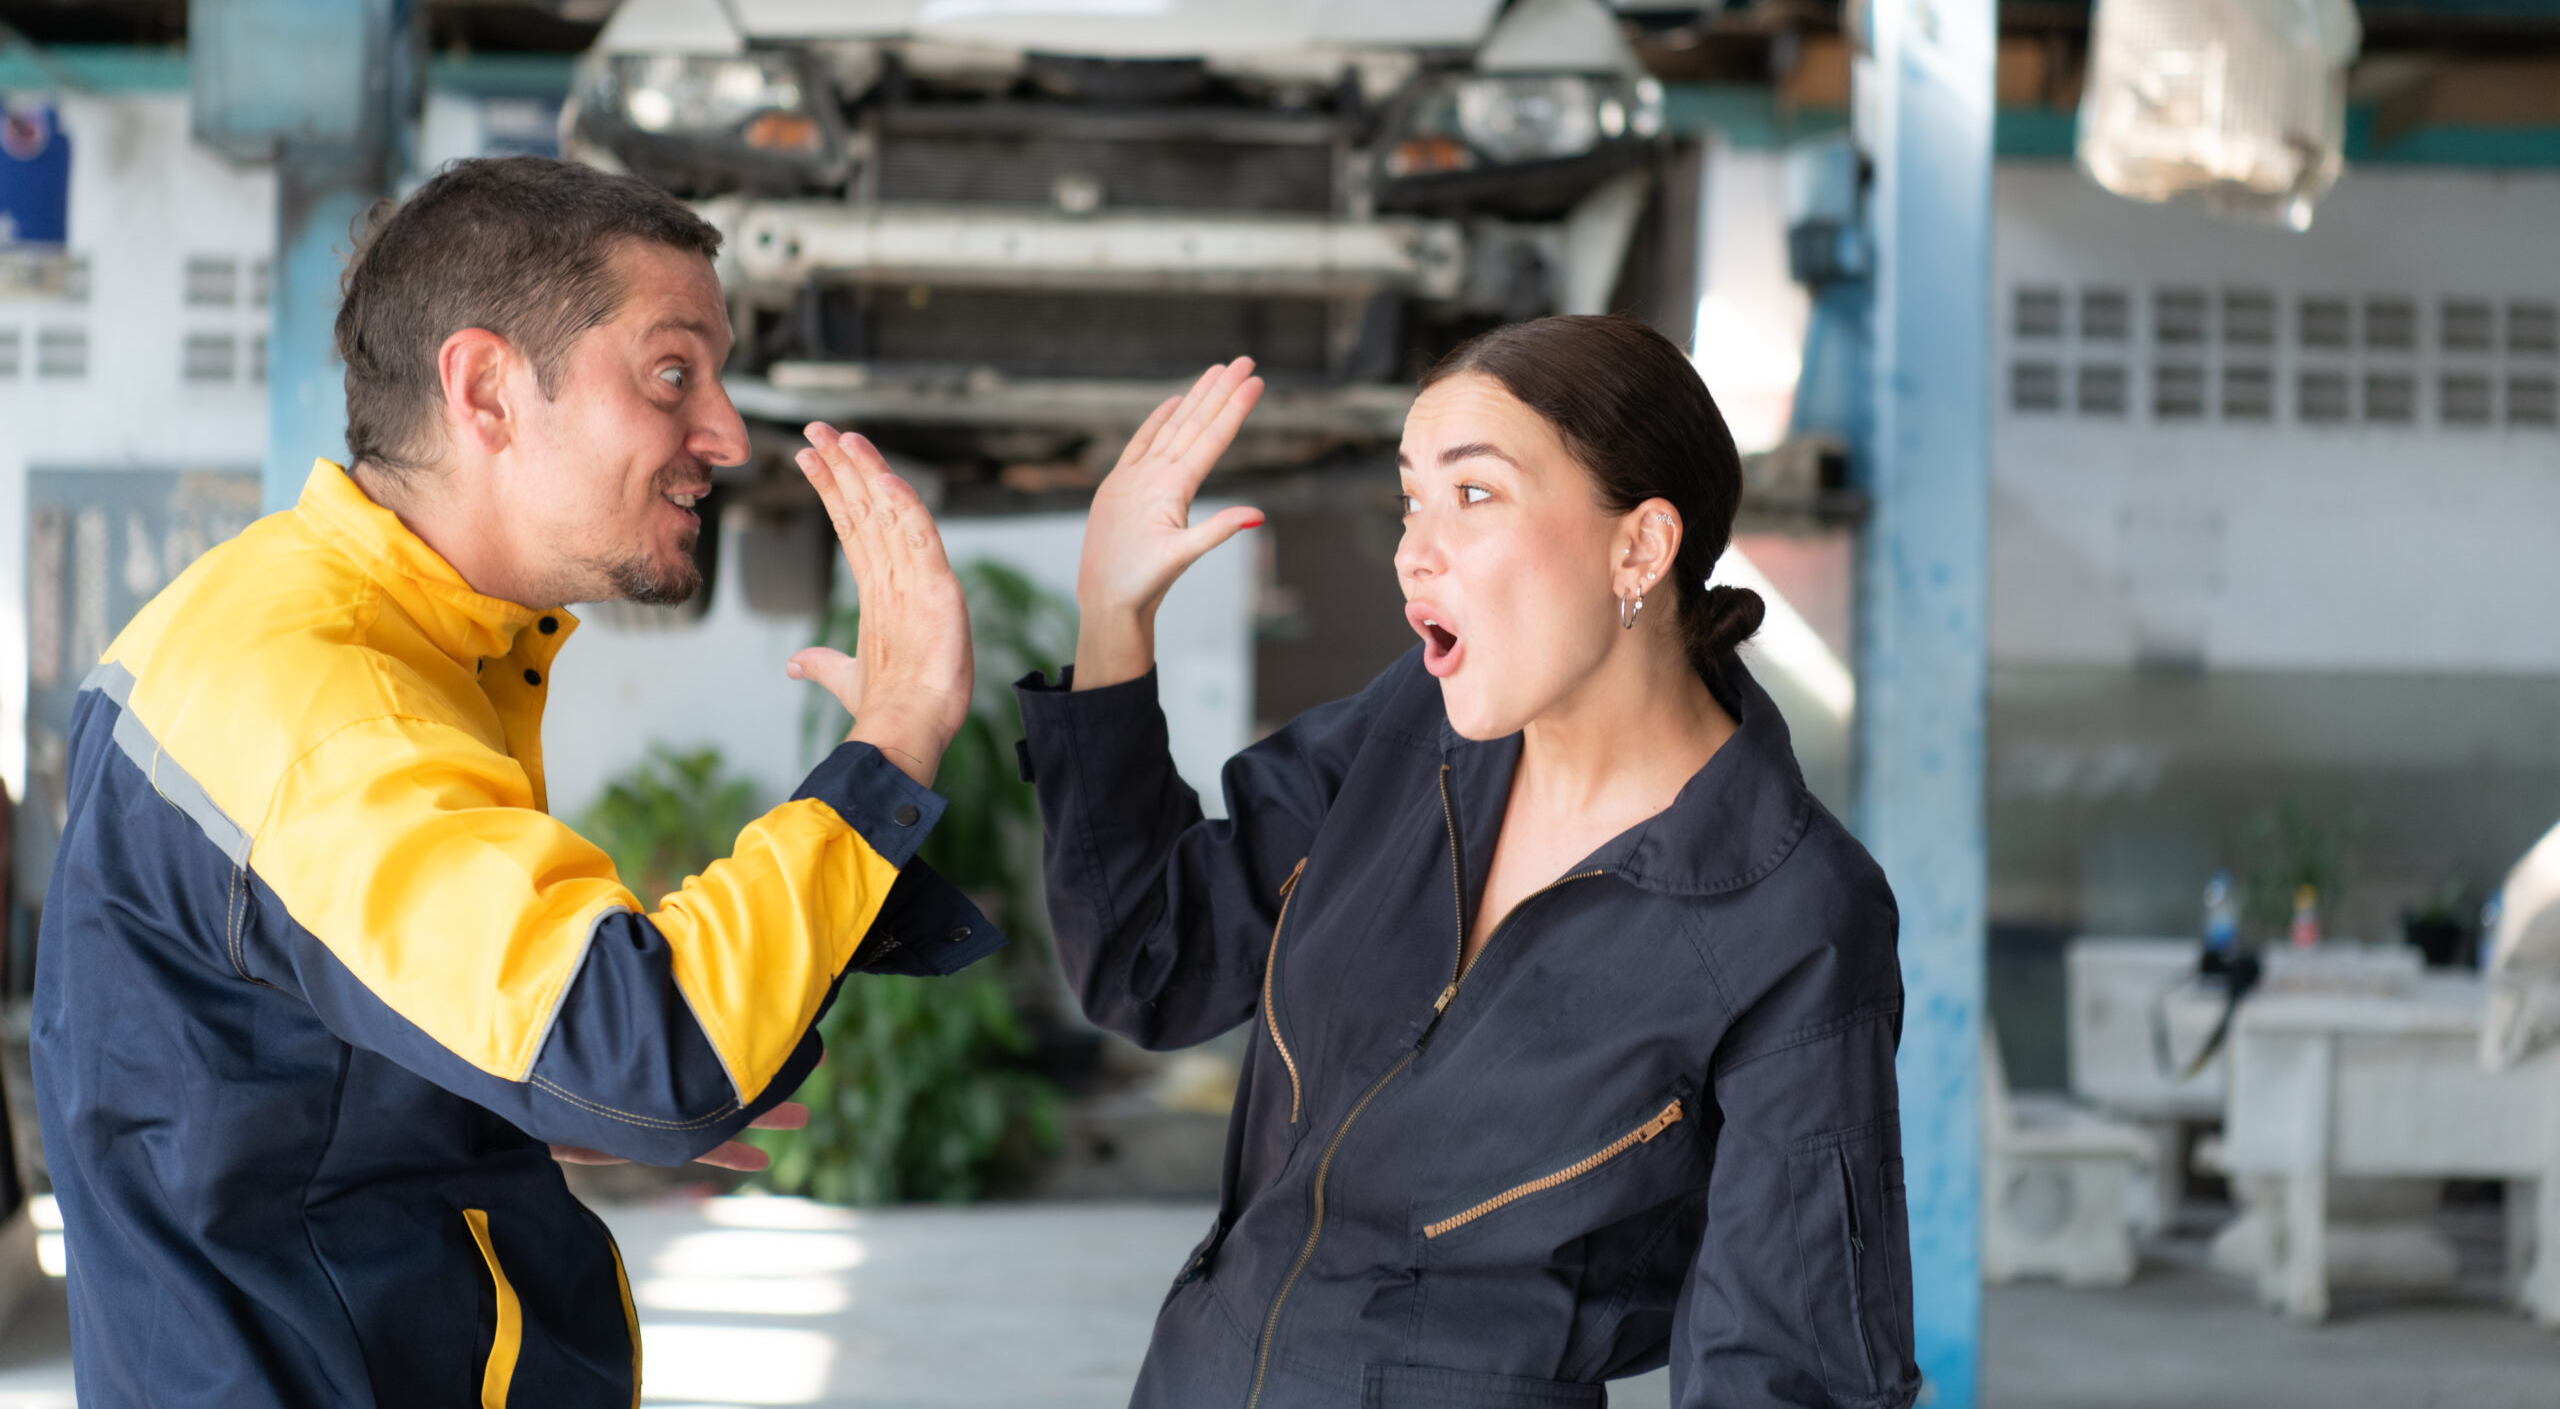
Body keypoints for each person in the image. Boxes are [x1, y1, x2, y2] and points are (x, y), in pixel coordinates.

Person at [32, 156, 998, 1407]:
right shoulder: (323, 702)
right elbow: (661, 1053)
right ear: (486, 388)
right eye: (671, 373)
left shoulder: (329, 631)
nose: (726, 434)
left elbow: (254, 1052)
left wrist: (497, 1101)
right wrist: (900, 729)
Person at [1017, 317, 1920, 1407]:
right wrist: (1114, 622)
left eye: (1474, 494)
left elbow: (1791, 1373)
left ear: (1638, 548)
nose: (1415, 551)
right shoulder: (1416, 731)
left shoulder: (1791, 917)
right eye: (1412, 500)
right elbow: (1152, 963)